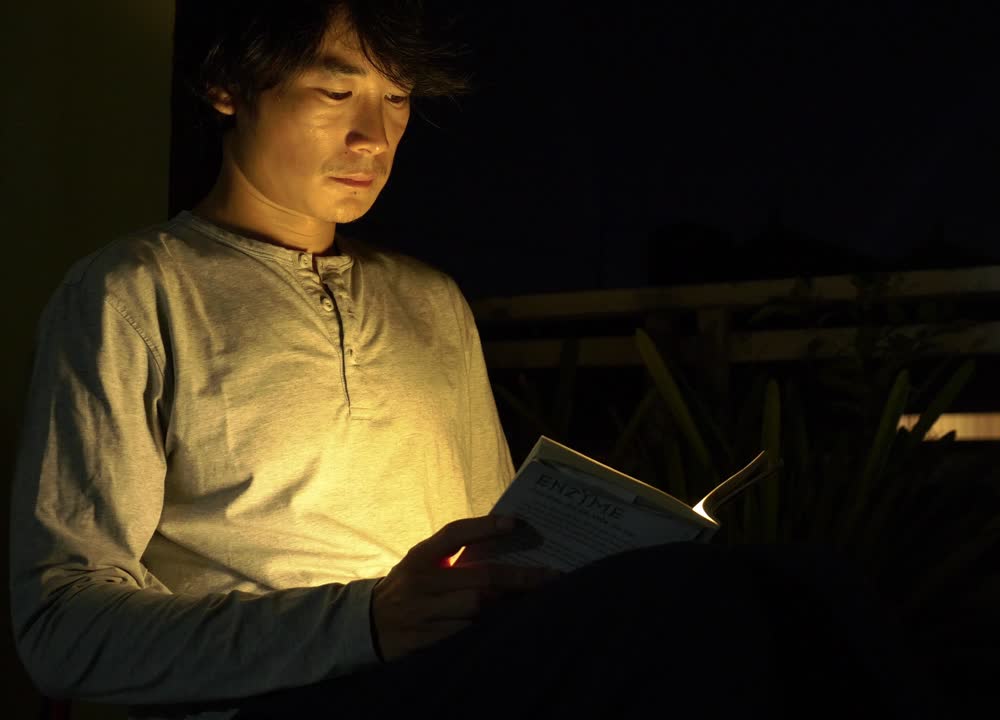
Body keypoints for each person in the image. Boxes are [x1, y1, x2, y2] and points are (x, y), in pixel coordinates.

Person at [10, 2, 931, 718]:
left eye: (396, 100)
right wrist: (369, 621)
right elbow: (61, 628)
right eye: (334, 93)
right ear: (227, 87)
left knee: (812, 586)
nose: (373, 137)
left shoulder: (430, 301)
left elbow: (498, 540)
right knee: (691, 615)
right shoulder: (133, 295)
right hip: (282, 703)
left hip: (458, 678)